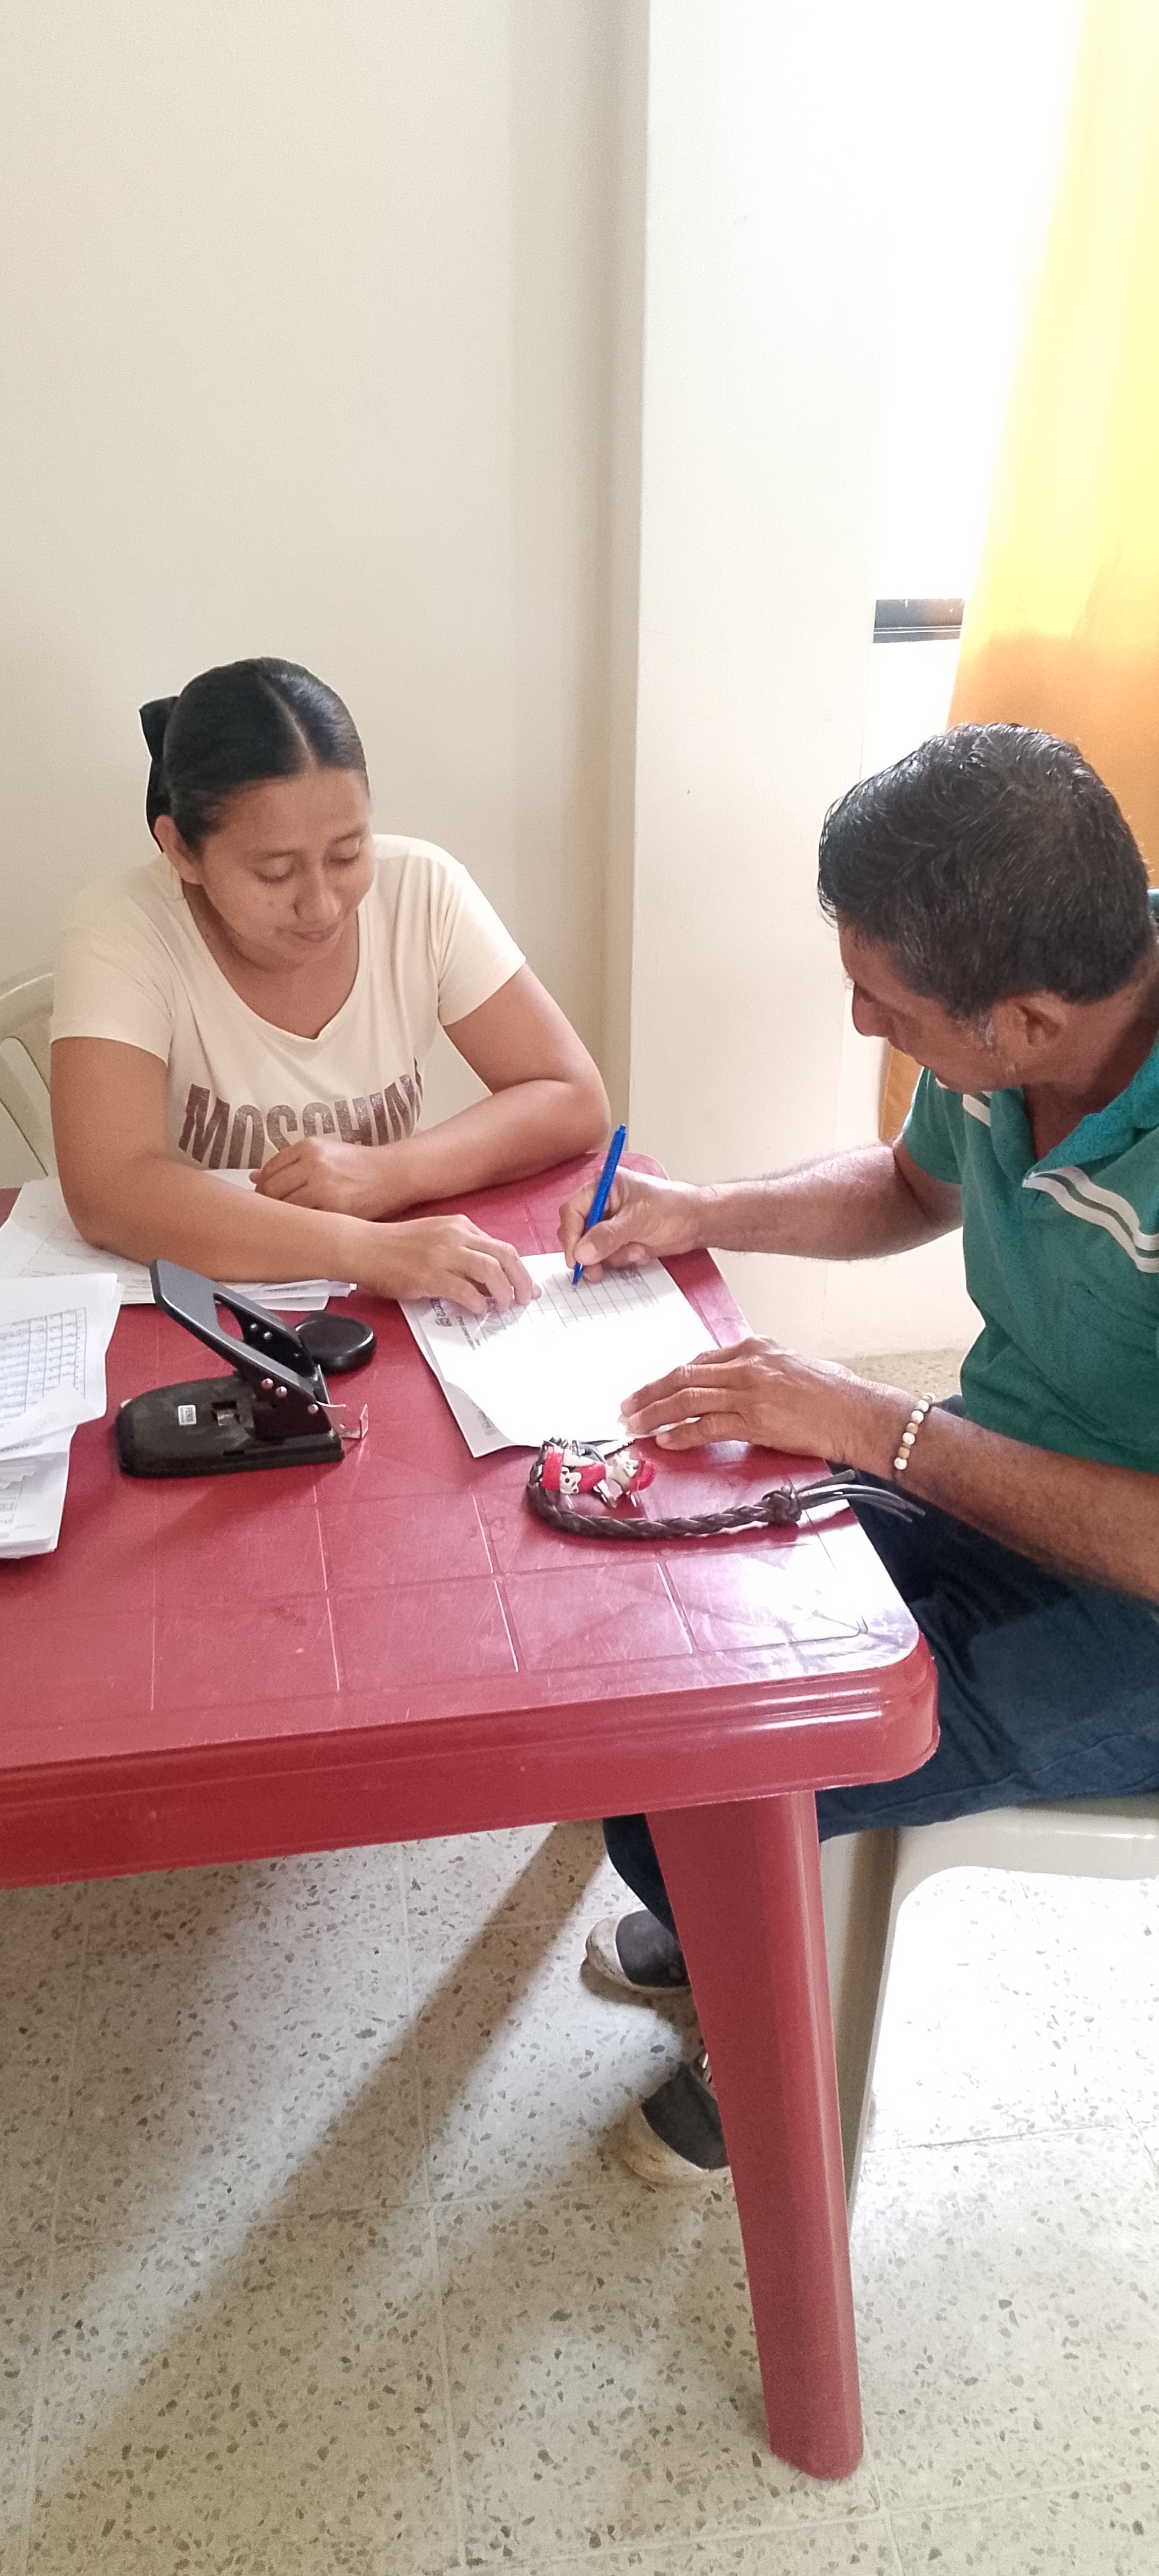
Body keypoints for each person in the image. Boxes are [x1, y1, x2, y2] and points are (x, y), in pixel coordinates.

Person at [558, 722, 1159, 2186]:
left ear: (1025, 1019)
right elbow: (907, 1187)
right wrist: (705, 1210)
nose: (857, 1017)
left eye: (884, 1001)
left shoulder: (1030, 1011)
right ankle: (736, 1920)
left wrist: (872, 1423)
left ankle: (778, 2025)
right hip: (991, 1480)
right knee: (655, 1642)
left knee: (729, 1755)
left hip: (1134, 1607)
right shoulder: (1022, 1023)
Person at [51, 658, 609, 1312]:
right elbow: (109, 1188)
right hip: (212, 1307)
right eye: (274, 872)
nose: (320, 905)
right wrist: (363, 1249)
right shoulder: (123, 927)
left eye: (347, 853)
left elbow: (573, 1096)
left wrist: (389, 1172)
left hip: (393, 1297)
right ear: (180, 851)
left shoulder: (422, 891)